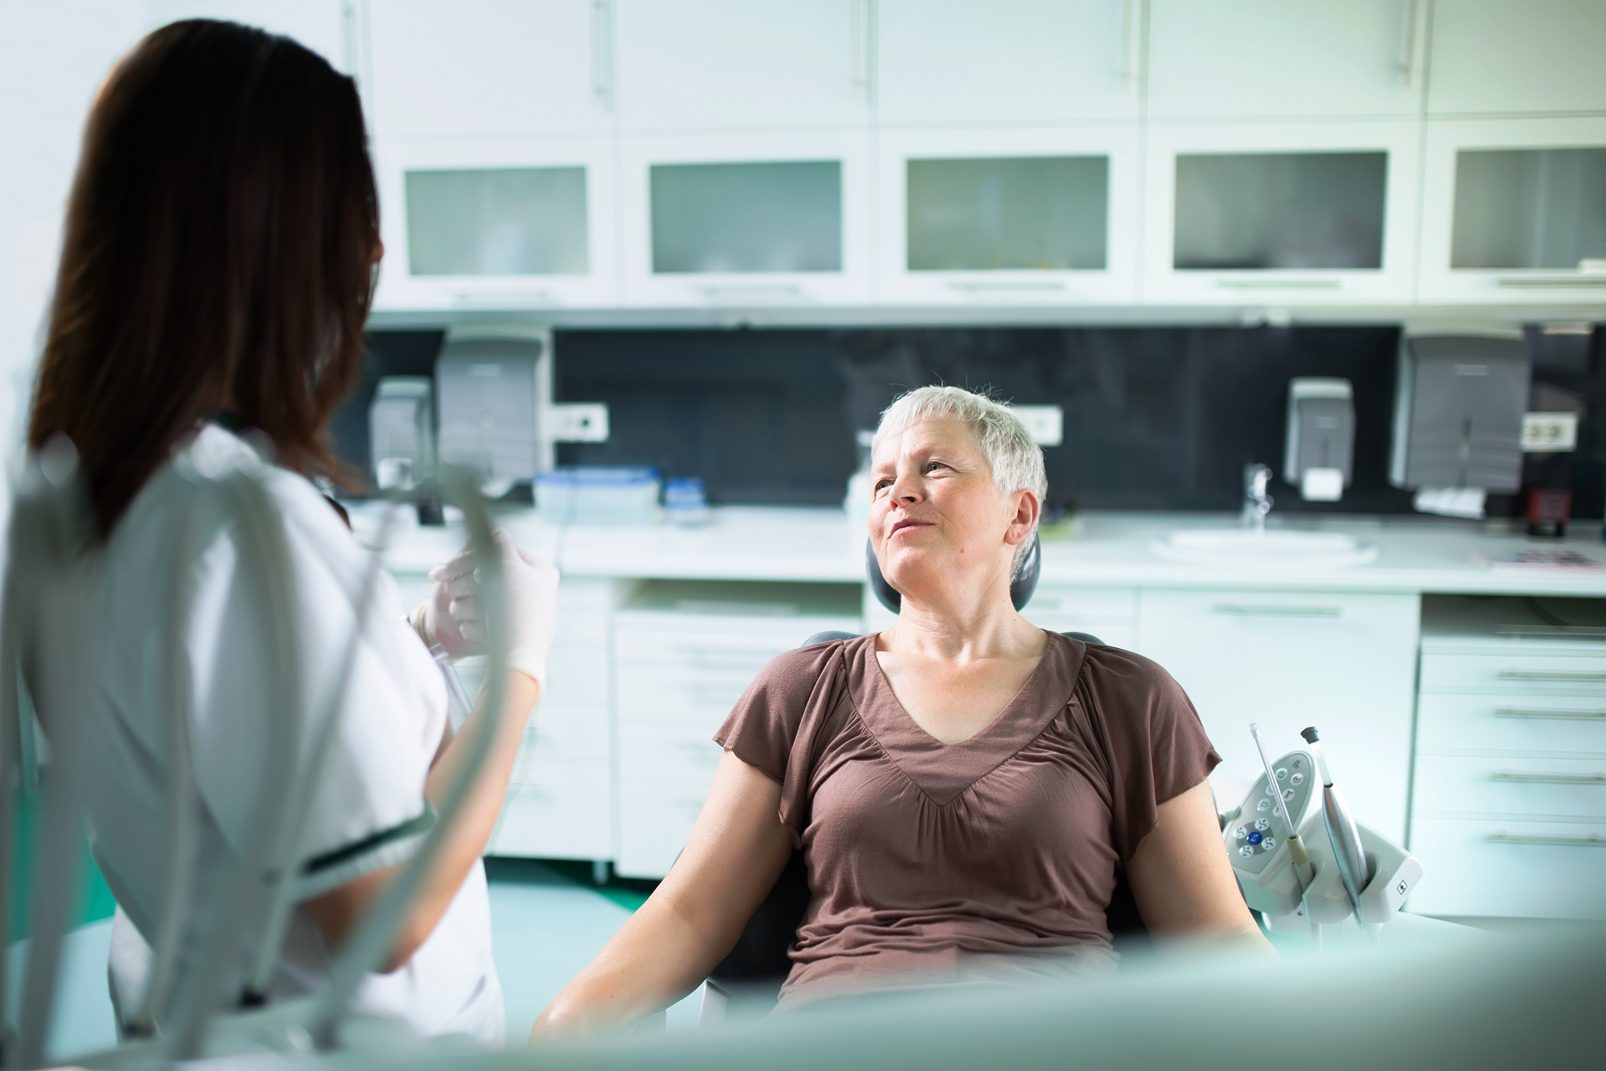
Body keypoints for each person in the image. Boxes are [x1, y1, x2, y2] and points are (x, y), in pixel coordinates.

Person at [16, 20, 558, 1043]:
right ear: (286, 240)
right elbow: (381, 913)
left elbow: (209, 734)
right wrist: (518, 675)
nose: (375, 250)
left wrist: (400, 645)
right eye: (356, 207)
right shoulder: (235, 523)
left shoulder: (106, 485)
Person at [534, 385, 1267, 1031]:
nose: (897, 491)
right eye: (882, 478)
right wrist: (566, 1021)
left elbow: (1216, 939)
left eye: (934, 467)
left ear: (1020, 514)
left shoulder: (1130, 699)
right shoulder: (800, 688)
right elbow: (688, 913)